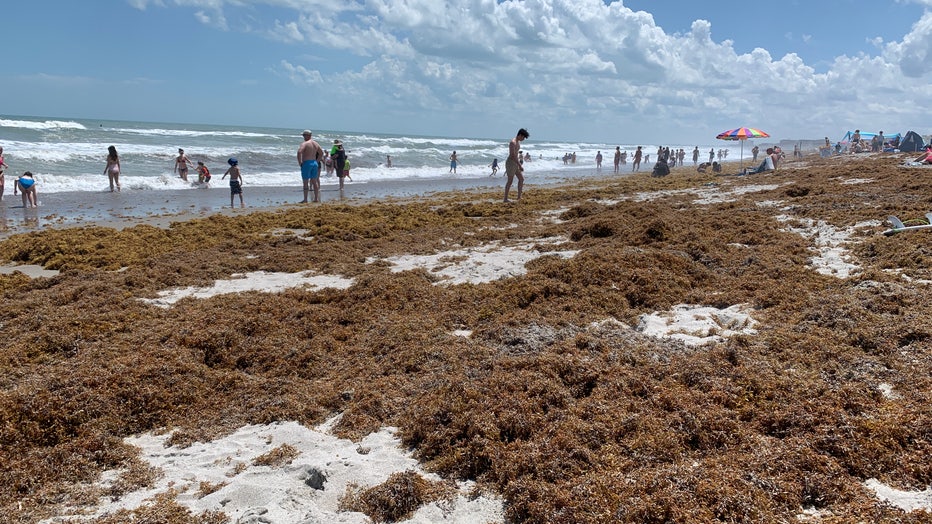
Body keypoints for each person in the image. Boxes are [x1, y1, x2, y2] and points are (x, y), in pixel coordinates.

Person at [503, 128, 529, 203]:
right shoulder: (513, 142)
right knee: (510, 181)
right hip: (511, 163)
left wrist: (518, 164)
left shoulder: (518, 142)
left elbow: (516, 155)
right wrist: (519, 165)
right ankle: (505, 199)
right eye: (523, 137)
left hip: (516, 162)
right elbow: (512, 156)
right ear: (520, 135)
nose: (523, 139)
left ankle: (519, 197)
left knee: (521, 179)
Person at [297, 130, 323, 203]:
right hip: (314, 163)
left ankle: (305, 199)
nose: (303, 137)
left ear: (307, 135)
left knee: (305, 181)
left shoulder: (305, 143)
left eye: (304, 135)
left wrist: (300, 163)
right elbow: (321, 153)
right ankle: (316, 198)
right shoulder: (315, 143)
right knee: (314, 181)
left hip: (307, 163)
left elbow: (299, 152)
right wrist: (317, 161)